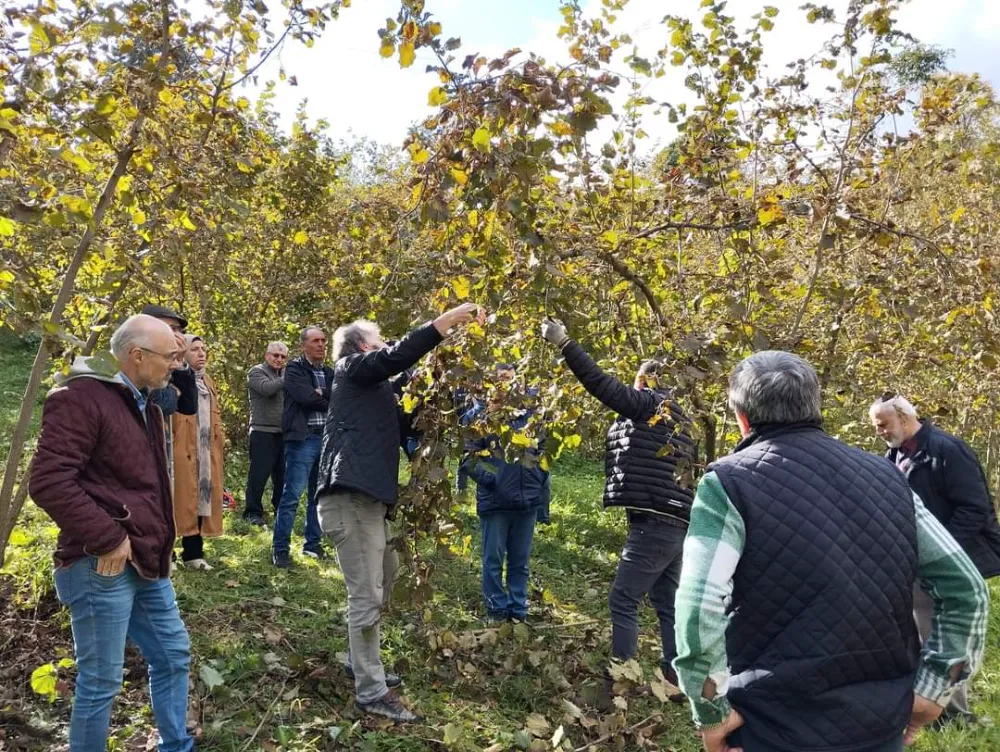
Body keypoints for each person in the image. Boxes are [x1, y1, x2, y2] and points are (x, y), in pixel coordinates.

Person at [673, 351, 989, 752]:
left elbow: (699, 605)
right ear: (814, 406)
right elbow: (967, 589)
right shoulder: (889, 478)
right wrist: (933, 691)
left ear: (742, 417)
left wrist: (711, 712)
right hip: (879, 725)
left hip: (771, 726)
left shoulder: (729, 482)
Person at [28, 314, 194, 752]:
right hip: (101, 562)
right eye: (170, 356)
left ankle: (177, 746)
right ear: (136, 355)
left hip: (146, 559)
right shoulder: (81, 396)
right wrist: (108, 537)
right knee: (101, 680)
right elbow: (49, 482)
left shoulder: (143, 402)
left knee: (173, 655)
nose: (175, 364)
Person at [316, 303, 486, 722]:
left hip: (372, 504)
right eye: (380, 342)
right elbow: (395, 357)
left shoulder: (377, 391)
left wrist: (439, 379)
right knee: (367, 594)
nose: (387, 346)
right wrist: (442, 325)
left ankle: (359, 660)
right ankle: (370, 690)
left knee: (386, 578)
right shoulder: (351, 370)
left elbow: (410, 424)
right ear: (361, 346)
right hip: (349, 499)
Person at [540, 318, 694, 699]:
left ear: (644, 383)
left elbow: (601, 385)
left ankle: (621, 678)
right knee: (665, 600)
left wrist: (564, 344)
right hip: (674, 520)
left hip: (656, 519)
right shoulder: (682, 420)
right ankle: (675, 677)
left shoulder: (651, 406)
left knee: (623, 599)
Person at [870, 392, 1000, 722]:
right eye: (876, 427)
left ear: (903, 415)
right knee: (917, 634)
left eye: (883, 424)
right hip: (913, 562)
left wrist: (941, 554)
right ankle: (925, 704)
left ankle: (953, 714)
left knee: (945, 636)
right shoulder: (892, 455)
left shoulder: (947, 450)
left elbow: (975, 509)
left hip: (949, 562)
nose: (880, 432)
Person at [461, 366, 550, 623]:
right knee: (493, 559)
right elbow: (468, 459)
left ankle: (518, 609)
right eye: (500, 380)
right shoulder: (479, 419)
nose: (505, 386)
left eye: (510, 380)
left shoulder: (531, 418)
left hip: (527, 501)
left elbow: (545, 450)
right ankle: (496, 610)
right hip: (496, 502)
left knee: (520, 561)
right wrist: (494, 481)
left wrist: (538, 477)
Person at [271, 326, 333, 567]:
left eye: (323, 341)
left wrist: (322, 393)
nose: (321, 345)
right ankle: (280, 549)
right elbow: (305, 397)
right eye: (315, 341)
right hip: (303, 439)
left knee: (317, 496)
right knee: (292, 496)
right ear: (304, 345)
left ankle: (312, 545)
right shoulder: (294, 369)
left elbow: (337, 397)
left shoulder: (329, 372)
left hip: (325, 439)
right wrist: (322, 397)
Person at [172, 335, 225, 570]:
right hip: (181, 449)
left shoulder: (208, 381)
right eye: (194, 349)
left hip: (205, 450)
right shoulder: (171, 380)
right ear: (181, 353)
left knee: (201, 498)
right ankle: (167, 556)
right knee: (177, 499)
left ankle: (193, 555)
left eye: (203, 349)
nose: (201, 353)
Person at [244, 341, 288, 526]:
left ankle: (280, 510)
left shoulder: (285, 374)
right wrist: (289, 378)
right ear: (267, 355)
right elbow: (267, 389)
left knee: (282, 476)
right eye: (275, 355)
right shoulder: (256, 372)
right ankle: (253, 512)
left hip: (284, 433)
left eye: (283, 356)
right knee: (258, 475)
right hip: (262, 432)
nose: (279, 359)